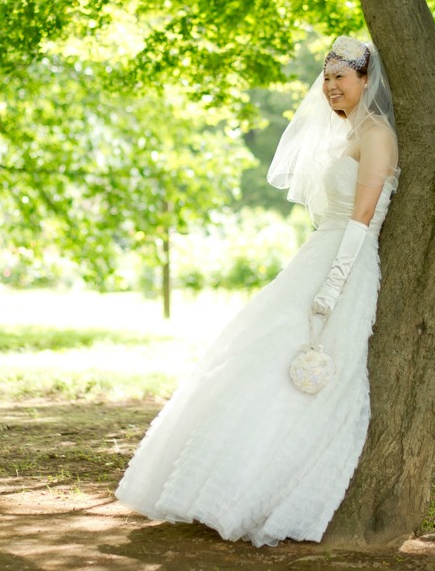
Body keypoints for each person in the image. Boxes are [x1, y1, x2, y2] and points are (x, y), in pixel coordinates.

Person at [114, 35, 399, 547]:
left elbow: (361, 216)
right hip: (319, 256)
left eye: (341, 77)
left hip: (347, 263)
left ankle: (265, 493)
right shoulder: (348, 134)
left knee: (311, 375)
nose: (331, 87)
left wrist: (332, 289)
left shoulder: (377, 134)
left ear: (365, 80)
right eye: (327, 77)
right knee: (264, 363)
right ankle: (214, 485)